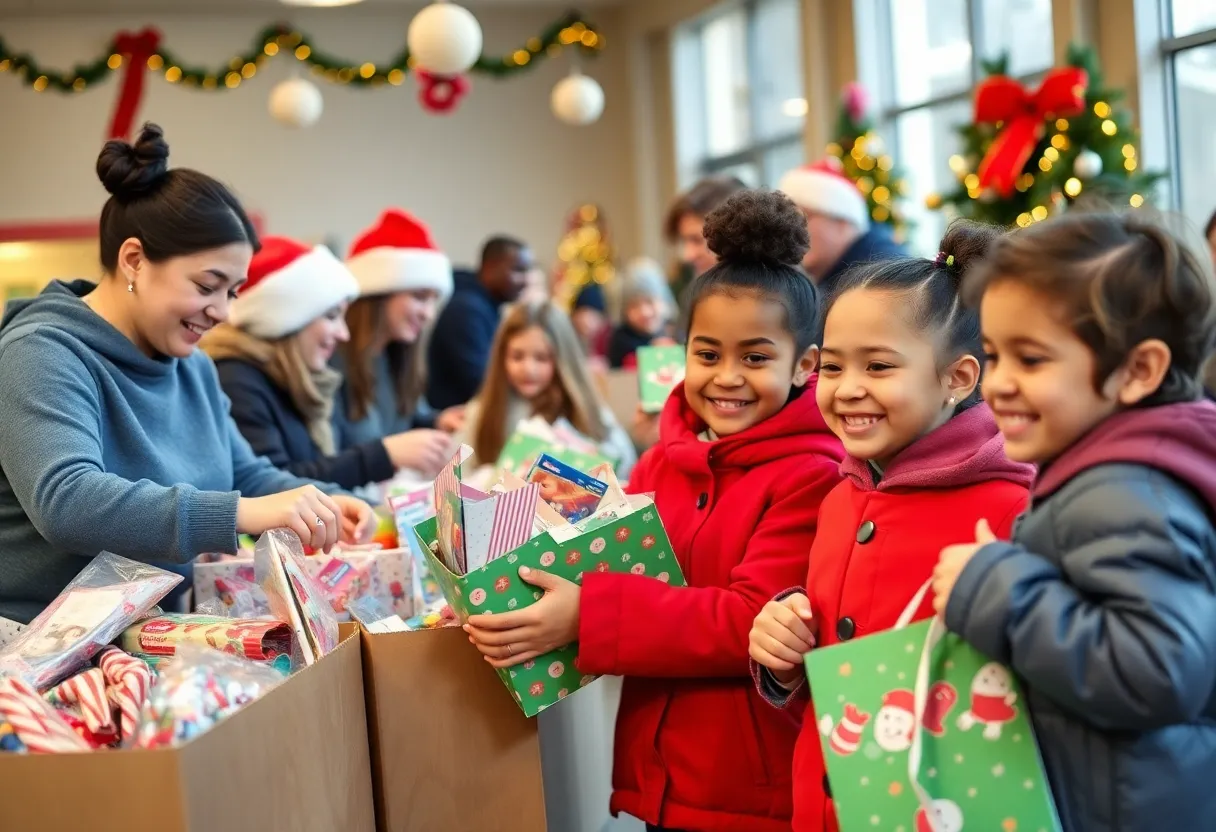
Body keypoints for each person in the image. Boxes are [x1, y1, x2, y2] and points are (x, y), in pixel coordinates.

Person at [465, 190, 845, 831]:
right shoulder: (664, 458)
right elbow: (617, 558)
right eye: (707, 354)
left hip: (745, 785)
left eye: (755, 357)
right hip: (656, 765)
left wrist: (586, 614)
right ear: (681, 351)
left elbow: (752, 619)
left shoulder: (811, 474)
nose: (727, 376)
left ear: (805, 365)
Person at [0, 124, 373, 623]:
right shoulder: (41, 352)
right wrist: (240, 514)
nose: (222, 311)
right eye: (207, 285)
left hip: (144, 629)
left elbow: (242, 474)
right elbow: (66, 501)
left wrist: (327, 504)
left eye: (233, 292)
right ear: (133, 260)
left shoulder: (192, 366)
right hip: (36, 643)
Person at [932, 212, 1216, 832]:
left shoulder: (1125, 490)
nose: (999, 383)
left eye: (1031, 361)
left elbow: (1158, 669)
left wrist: (992, 587)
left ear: (1138, 370)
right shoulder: (1112, 474)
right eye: (994, 355)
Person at [747, 222, 1033, 831]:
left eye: (878, 366)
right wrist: (785, 648)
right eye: (832, 367)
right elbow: (832, 645)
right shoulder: (841, 496)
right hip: (830, 802)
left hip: (946, 805)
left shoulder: (1013, 507)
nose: (848, 390)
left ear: (957, 379)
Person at [204, 237, 449, 490]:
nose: (344, 334)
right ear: (288, 319)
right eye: (332, 316)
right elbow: (271, 485)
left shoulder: (299, 374)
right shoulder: (238, 379)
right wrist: (382, 455)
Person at [337, 209, 460, 472]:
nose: (428, 314)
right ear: (378, 293)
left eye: (432, 300)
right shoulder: (334, 362)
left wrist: (439, 420)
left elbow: (409, 417)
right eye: (419, 296)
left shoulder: (396, 355)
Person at [459, 300, 636, 476]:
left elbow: (623, 466)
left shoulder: (588, 412)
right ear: (502, 357)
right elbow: (463, 477)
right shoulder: (481, 412)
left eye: (542, 358)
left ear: (563, 362)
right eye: (517, 356)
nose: (528, 369)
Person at [426, 235, 534, 410]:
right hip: (453, 422)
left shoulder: (486, 307)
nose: (526, 280)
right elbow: (482, 382)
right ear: (490, 268)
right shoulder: (466, 311)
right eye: (518, 270)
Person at [779, 160, 906, 293]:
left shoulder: (881, 278)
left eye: (802, 218)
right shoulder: (835, 278)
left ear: (842, 222)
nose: (790, 230)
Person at [607, 258, 676, 370]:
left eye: (650, 301)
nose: (644, 312)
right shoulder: (621, 340)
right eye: (634, 305)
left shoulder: (673, 333)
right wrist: (653, 353)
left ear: (664, 301)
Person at [570, 281, 610, 363]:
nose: (586, 321)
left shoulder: (609, 339)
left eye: (592, 316)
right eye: (582, 314)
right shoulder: (569, 338)